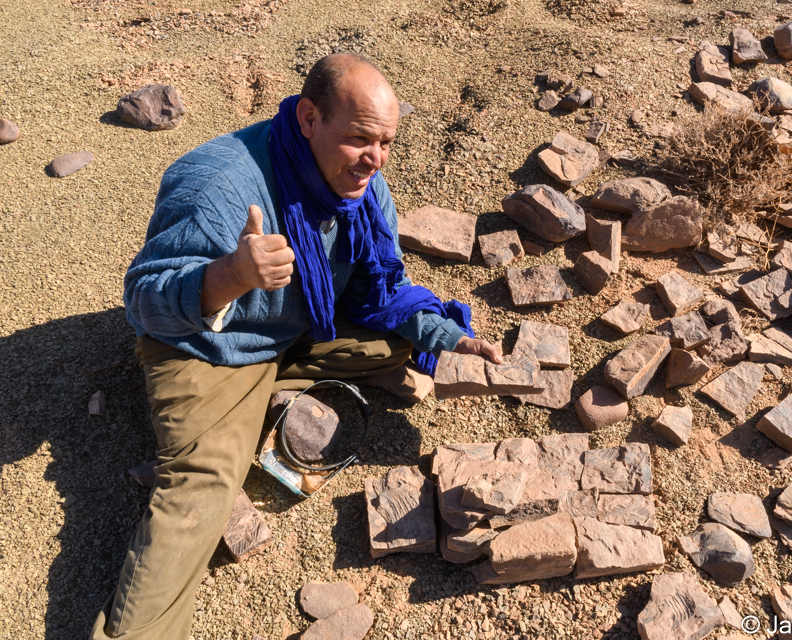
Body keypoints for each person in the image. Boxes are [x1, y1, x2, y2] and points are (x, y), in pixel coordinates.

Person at [91, 52, 501, 640]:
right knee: (203, 488)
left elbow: (378, 287)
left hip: (301, 325)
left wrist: (442, 333)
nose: (374, 161)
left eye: (385, 142)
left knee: (403, 338)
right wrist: (231, 273)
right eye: (361, 138)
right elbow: (144, 301)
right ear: (308, 117)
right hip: (210, 349)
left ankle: (273, 394)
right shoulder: (218, 183)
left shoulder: (362, 185)